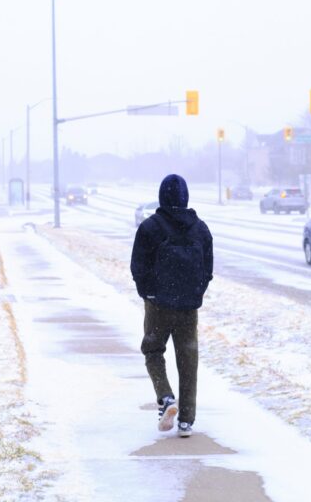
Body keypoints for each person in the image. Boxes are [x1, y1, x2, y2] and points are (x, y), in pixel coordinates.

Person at [130, 174, 213, 438]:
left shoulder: (150, 227)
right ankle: (186, 421)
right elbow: (208, 269)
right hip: (189, 306)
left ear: (162, 196)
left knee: (153, 350)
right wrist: (196, 292)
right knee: (188, 358)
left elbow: (138, 266)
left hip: (158, 305)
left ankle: (166, 397)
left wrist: (148, 293)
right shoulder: (200, 228)